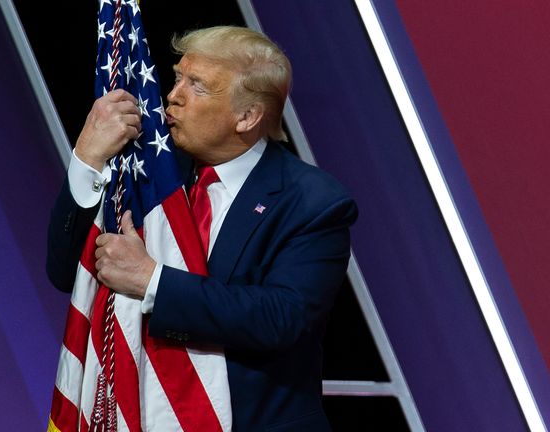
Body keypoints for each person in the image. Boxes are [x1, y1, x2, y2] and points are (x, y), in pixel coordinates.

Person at [47, 26, 357, 431]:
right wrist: (87, 157)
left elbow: (281, 317)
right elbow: (64, 270)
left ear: (247, 116)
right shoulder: (150, 177)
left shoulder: (312, 201)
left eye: (198, 86)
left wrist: (152, 280)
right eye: (178, 77)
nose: (172, 95)